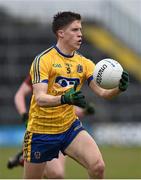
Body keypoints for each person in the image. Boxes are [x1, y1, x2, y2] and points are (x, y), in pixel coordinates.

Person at [23, 11, 129, 179]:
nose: (80, 34)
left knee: (98, 167)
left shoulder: (85, 63)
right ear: (61, 33)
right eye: (75, 30)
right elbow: (40, 98)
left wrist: (119, 88)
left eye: (81, 30)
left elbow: (103, 92)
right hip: (41, 131)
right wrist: (65, 98)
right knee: (49, 176)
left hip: (69, 127)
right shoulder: (43, 60)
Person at [7, 75, 95, 179]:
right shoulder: (40, 71)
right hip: (42, 131)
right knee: (57, 174)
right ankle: (25, 159)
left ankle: (23, 159)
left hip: (63, 130)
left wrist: (84, 111)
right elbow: (19, 95)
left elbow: (65, 107)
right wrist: (24, 115)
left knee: (57, 175)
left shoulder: (66, 73)